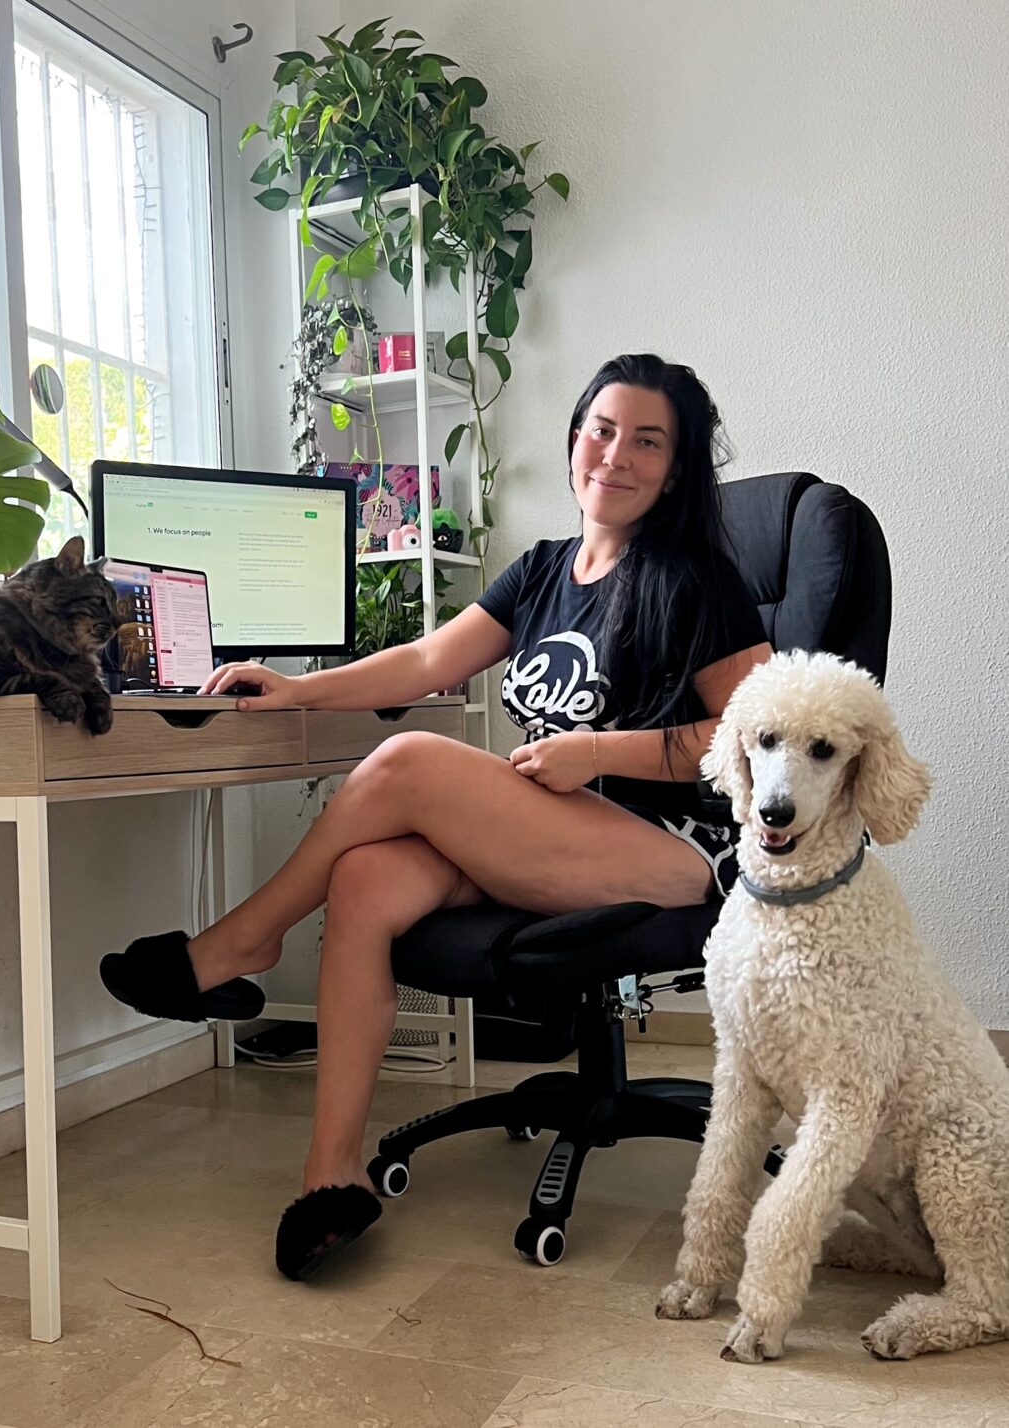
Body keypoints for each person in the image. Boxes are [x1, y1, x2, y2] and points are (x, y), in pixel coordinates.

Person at [100, 353, 772, 1280]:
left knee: (411, 759)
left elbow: (755, 735)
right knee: (366, 877)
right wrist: (296, 690)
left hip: (677, 850)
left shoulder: (699, 579)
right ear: (575, 436)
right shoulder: (542, 572)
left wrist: (600, 752)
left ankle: (240, 943)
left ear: (678, 465)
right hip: (556, 830)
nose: (616, 456)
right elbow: (423, 663)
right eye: (602, 429)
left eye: (647, 441)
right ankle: (331, 1177)